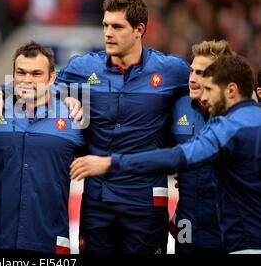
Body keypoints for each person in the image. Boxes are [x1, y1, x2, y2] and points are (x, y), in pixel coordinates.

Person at [0, 0, 190, 253]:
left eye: (117, 26)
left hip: (145, 202)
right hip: (97, 202)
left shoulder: (172, 70)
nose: (108, 33)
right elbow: (36, 84)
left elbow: (207, 89)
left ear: (139, 29)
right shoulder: (83, 68)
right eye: (105, 25)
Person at [71, 54, 261, 254]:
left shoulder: (229, 128)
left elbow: (179, 157)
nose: (204, 97)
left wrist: (112, 163)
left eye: (210, 89)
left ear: (231, 90)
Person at [0, 41, 85, 254]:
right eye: (21, 73)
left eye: (36, 74)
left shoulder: (74, 118)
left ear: (52, 78)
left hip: (50, 241)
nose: (26, 80)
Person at [167, 40, 234, 254]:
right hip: (187, 227)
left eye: (201, 73)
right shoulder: (178, 105)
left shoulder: (241, 115)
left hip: (226, 230)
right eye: (191, 71)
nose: (193, 79)